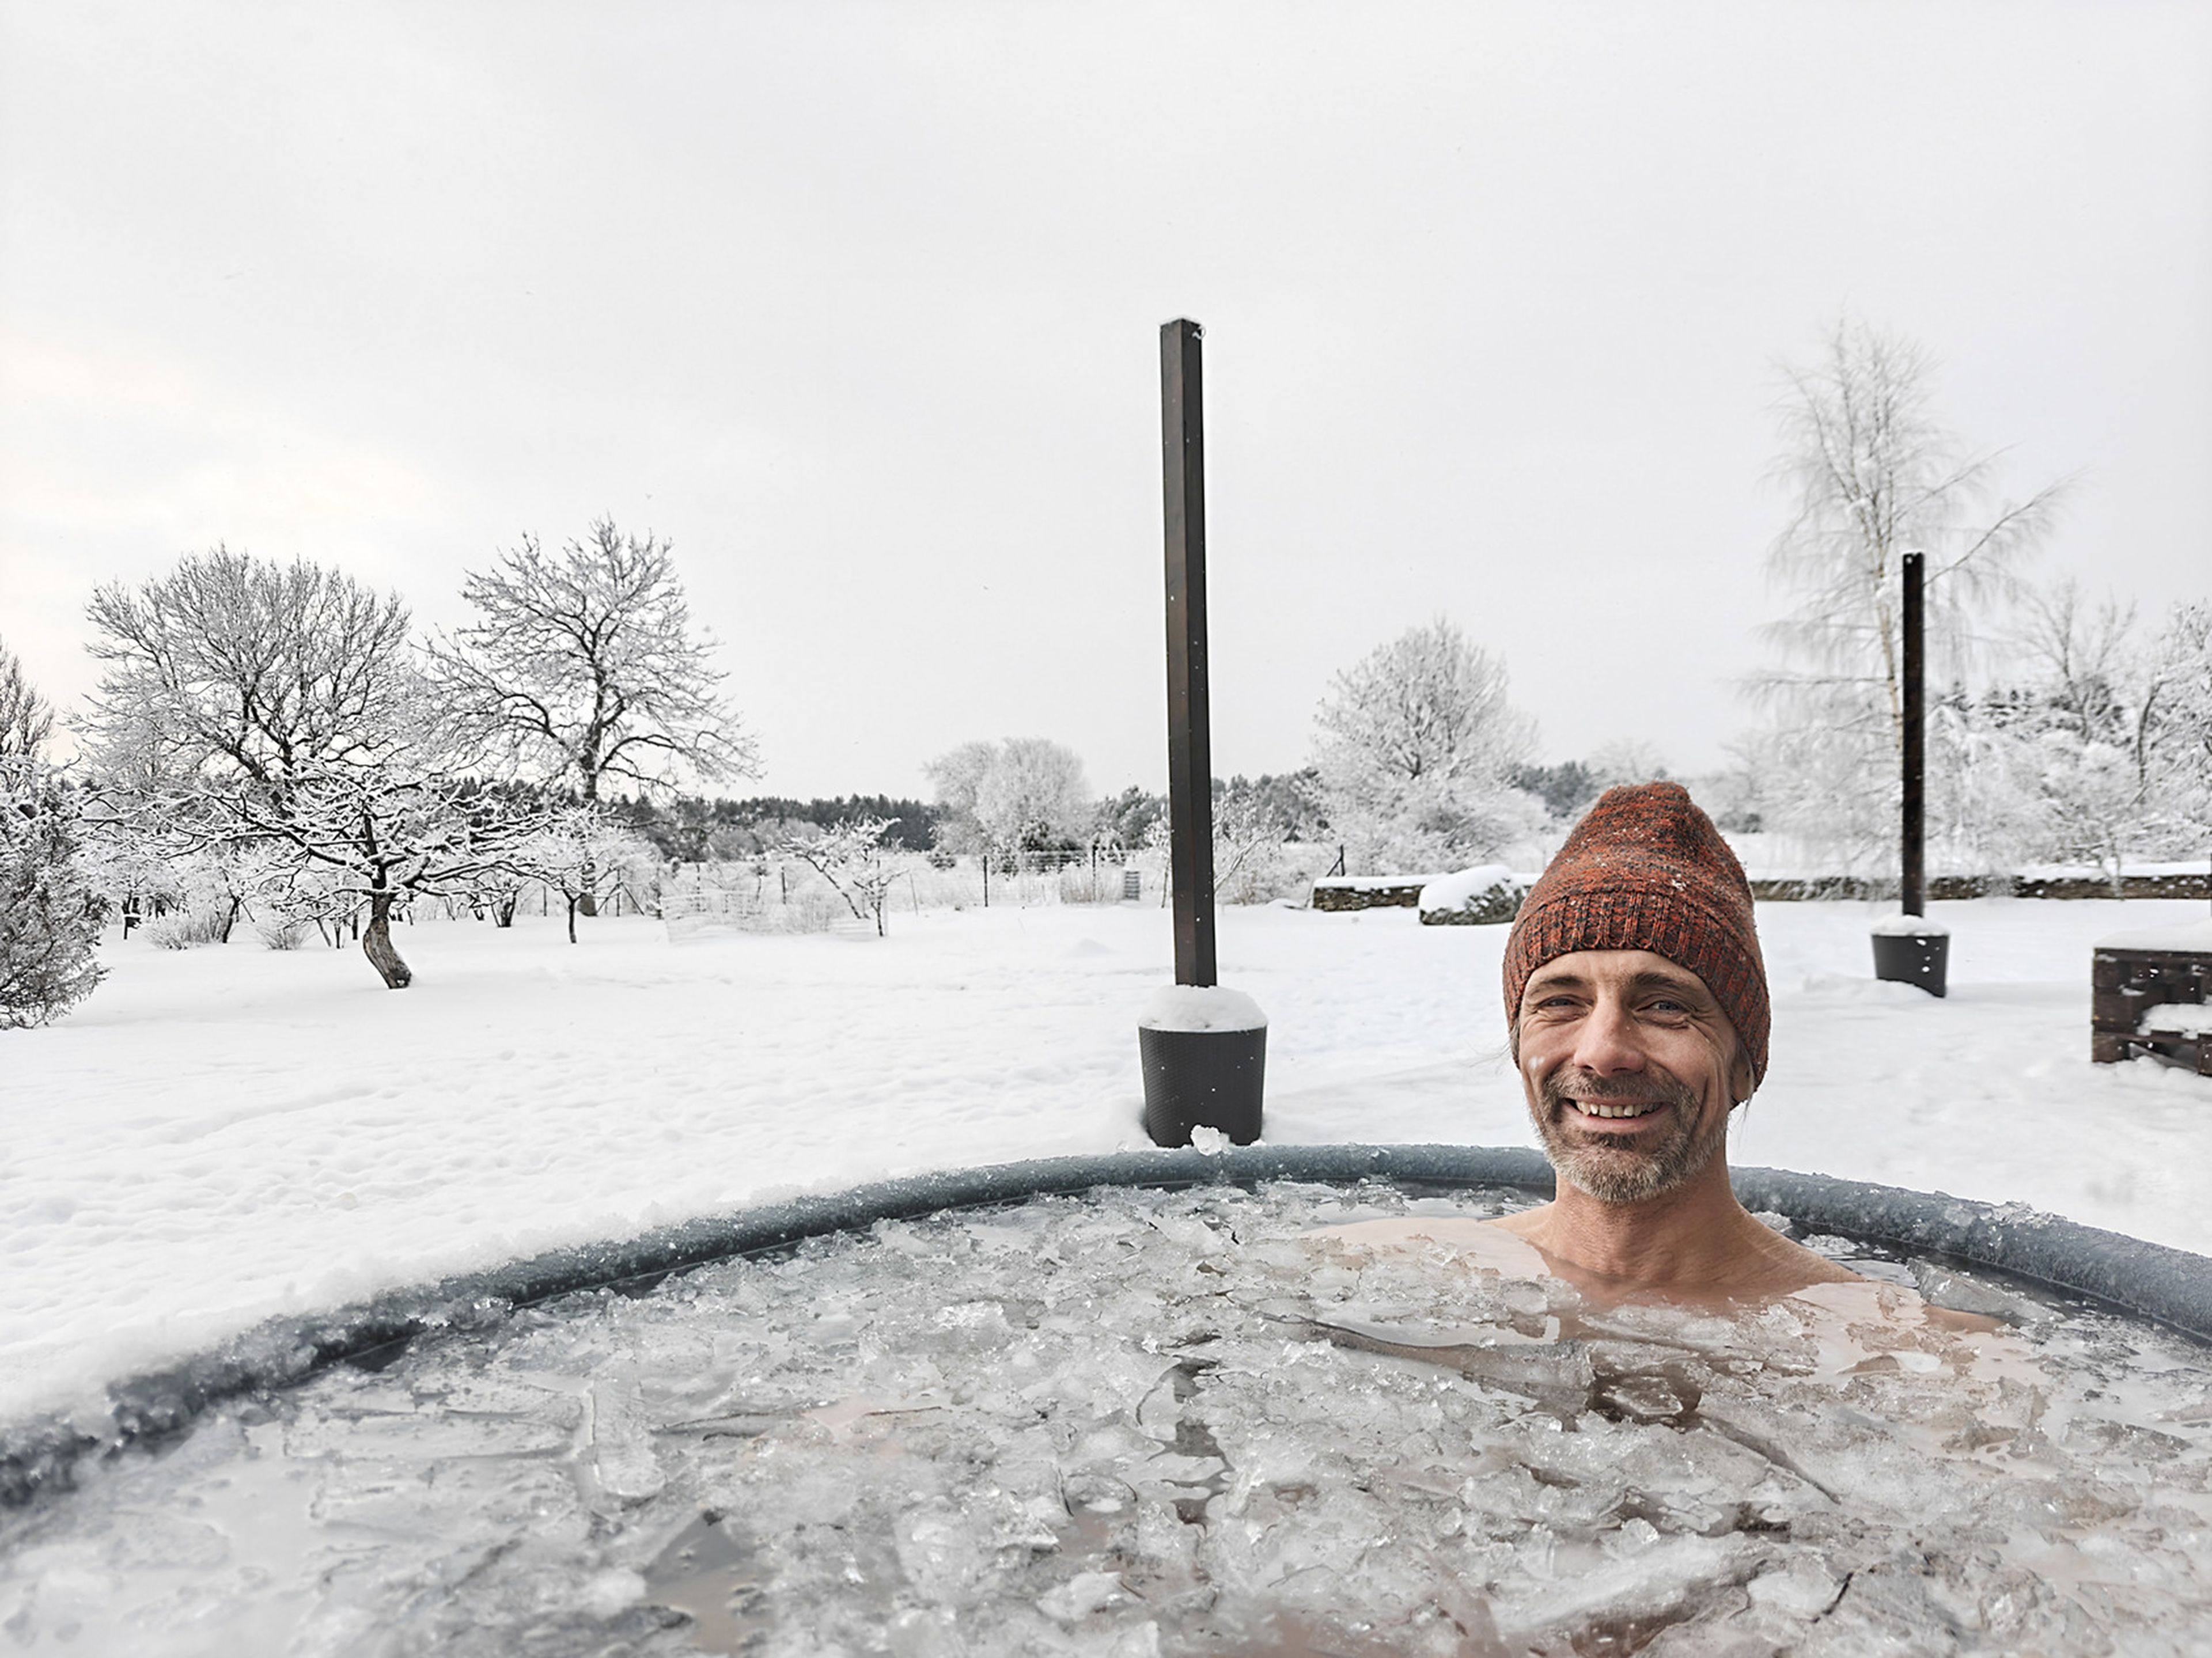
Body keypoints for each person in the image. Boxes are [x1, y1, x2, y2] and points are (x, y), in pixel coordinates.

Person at [1332, 781, 1865, 1308]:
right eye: (1561, 1002)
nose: (1603, 1052)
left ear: (1745, 1065)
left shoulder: (1879, 1345)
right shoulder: (1380, 1279)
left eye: (1664, 1005)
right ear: (1520, 1050)